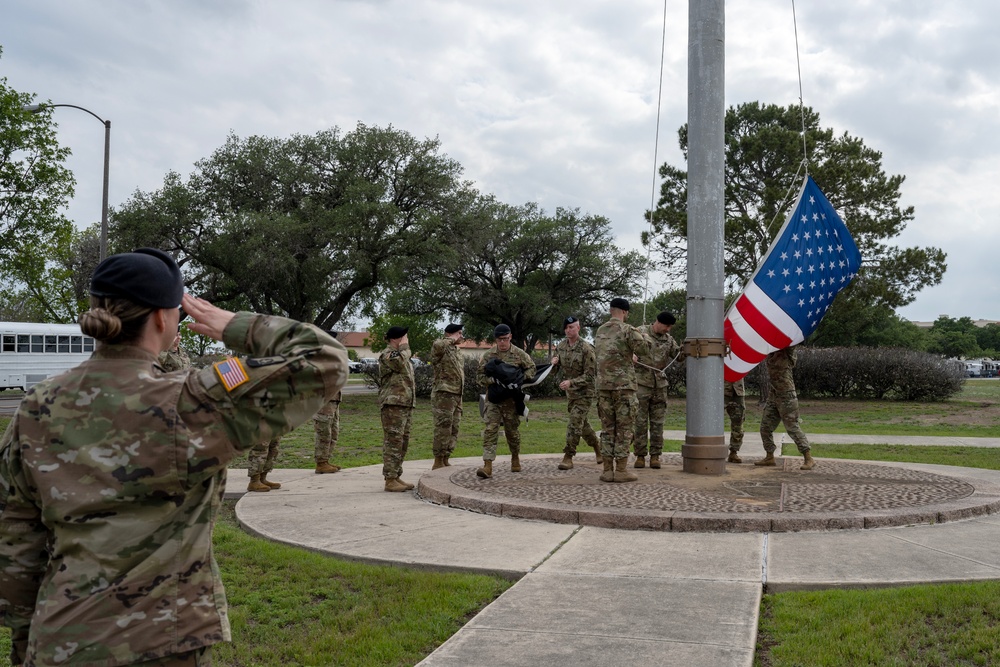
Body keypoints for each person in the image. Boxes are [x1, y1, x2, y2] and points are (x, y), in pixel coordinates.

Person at [0, 248, 348, 667]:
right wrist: (234, 325)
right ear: (164, 318)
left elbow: (16, 544)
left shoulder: (36, 407)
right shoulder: (188, 400)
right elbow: (325, 360)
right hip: (159, 642)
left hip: (59, 638)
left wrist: (26, 641)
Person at [594, 297, 653, 482]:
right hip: (623, 388)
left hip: (604, 388)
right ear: (625, 312)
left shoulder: (600, 330)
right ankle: (620, 471)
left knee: (607, 429)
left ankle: (606, 470)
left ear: (611, 310)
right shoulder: (628, 330)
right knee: (624, 429)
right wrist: (644, 333)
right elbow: (645, 349)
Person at [476, 323, 535, 479]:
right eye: (499, 339)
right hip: (493, 399)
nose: (502, 342)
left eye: (505, 339)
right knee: (490, 429)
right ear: (495, 339)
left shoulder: (519, 353)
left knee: (512, 431)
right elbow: (479, 377)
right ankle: (487, 465)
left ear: (510, 337)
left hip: (511, 400)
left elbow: (531, 368)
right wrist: (493, 381)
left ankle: (515, 457)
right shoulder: (489, 355)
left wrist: (519, 378)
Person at [550, 315, 602, 470]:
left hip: (585, 393)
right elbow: (554, 371)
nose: (568, 330)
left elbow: (590, 375)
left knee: (574, 422)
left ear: (578, 328)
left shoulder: (586, 348)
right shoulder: (560, 347)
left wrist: (571, 382)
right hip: (571, 394)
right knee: (582, 424)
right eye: (566, 327)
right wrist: (553, 364)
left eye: (571, 327)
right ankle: (597, 448)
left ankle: (568, 456)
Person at [632, 311, 682, 469]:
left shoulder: (669, 340)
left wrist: (686, 348)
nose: (668, 329)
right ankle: (640, 455)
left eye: (670, 327)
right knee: (639, 422)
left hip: (659, 386)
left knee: (657, 423)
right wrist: (629, 355)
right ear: (658, 322)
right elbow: (624, 347)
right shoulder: (640, 332)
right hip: (641, 384)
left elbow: (678, 356)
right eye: (667, 326)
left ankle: (655, 456)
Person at [755, 345, 814, 470]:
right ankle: (769, 456)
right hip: (774, 395)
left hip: (787, 395)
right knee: (765, 427)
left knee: (792, 427)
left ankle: (808, 458)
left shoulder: (787, 351)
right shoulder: (770, 350)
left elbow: (791, 340)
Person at [379, 325, 416, 491]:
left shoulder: (401, 354)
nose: (406, 339)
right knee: (393, 441)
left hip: (404, 404)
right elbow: (399, 363)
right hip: (393, 404)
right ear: (396, 339)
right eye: (404, 337)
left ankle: (396, 475)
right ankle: (390, 479)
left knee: (402, 441)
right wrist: (405, 347)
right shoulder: (389, 354)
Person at [429, 322, 465, 470]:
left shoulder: (456, 350)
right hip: (444, 393)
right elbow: (437, 347)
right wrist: (451, 338)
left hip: (457, 394)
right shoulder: (441, 346)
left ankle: (446, 457)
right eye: (459, 333)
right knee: (443, 427)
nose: (461, 336)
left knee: (454, 427)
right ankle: (438, 460)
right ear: (450, 334)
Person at [313, 390, 343, 474]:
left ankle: (325, 461)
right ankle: (321, 463)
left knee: (334, 433)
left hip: (333, 400)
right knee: (324, 433)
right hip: (323, 400)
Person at [725, 379, 746, 463]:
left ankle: (734, 452)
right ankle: (709, 450)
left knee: (738, 422)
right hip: (719, 389)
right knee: (711, 421)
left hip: (738, 390)